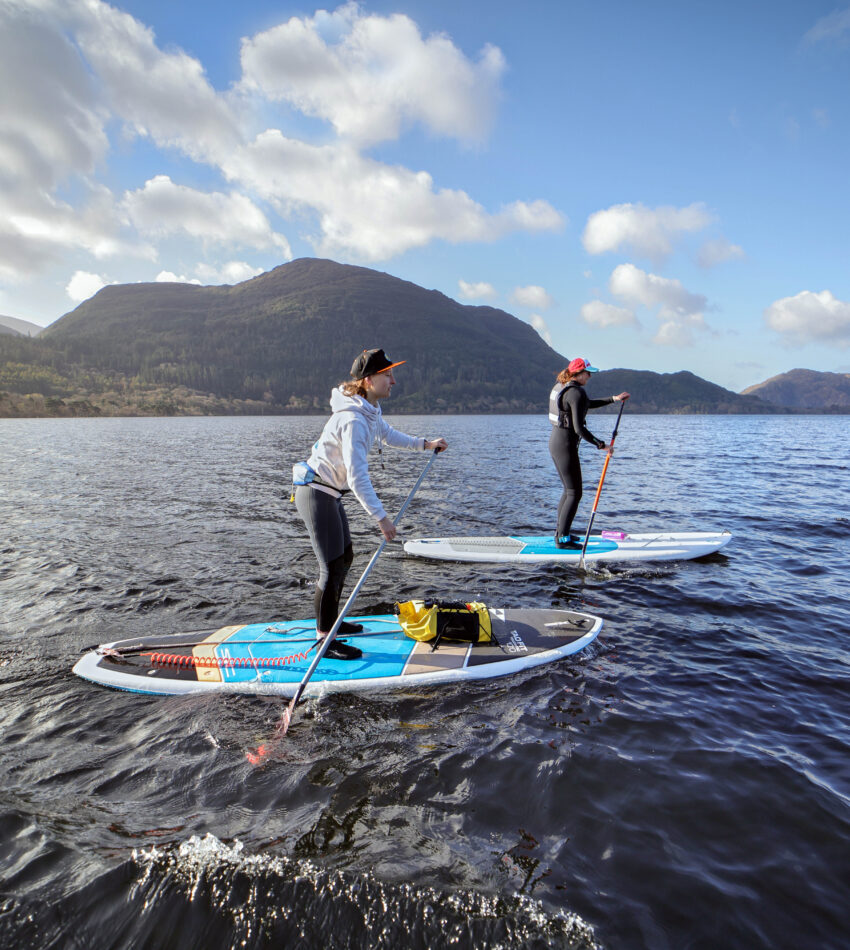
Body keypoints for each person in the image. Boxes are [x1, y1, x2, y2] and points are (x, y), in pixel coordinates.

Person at [294, 348, 448, 660]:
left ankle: (333, 624)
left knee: (345, 557)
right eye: (387, 375)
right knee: (331, 565)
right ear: (368, 381)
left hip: (329, 493)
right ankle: (324, 639)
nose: (394, 380)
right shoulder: (354, 420)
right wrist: (382, 518)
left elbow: (389, 435)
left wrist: (425, 444)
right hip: (315, 493)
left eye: (392, 373)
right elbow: (356, 477)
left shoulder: (368, 412)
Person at [548, 357, 629, 549]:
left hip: (557, 443)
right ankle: (563, 540)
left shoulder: (567, 388)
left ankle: (561, 534)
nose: (590, 376)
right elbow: (579, 429)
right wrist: (601, 445)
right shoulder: (575, 392)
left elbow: (587, 404)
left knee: (569, 492)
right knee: (575, 493)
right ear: (578, 373)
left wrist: (613, 399)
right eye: (587, 373)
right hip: (565, 446)